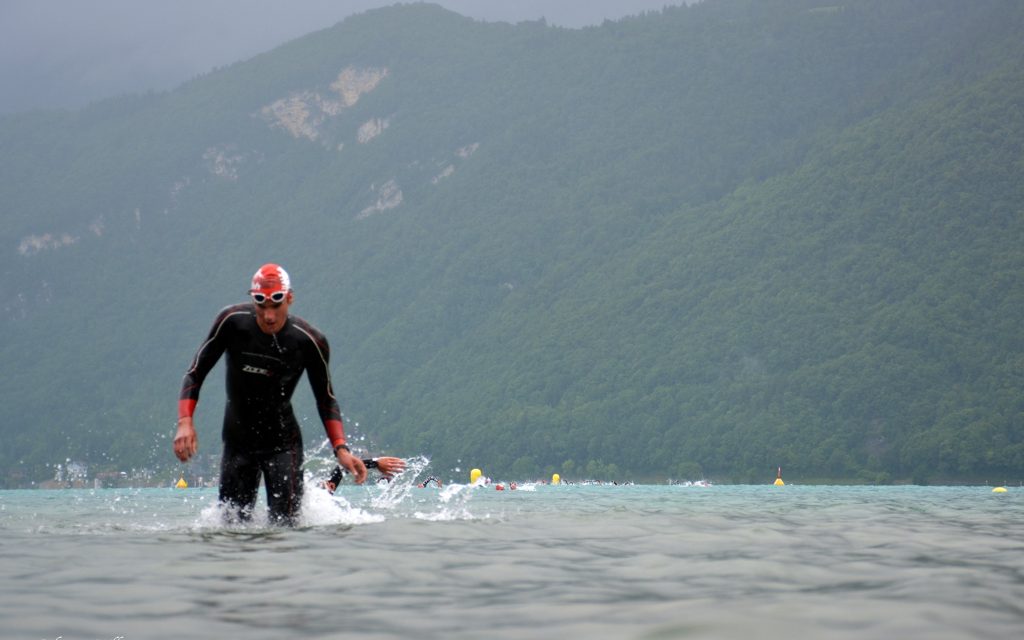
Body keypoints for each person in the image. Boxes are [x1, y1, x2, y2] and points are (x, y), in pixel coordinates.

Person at [172, 263, 404, 525]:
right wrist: (185, 422)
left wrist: (341, 448)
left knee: (286, 528)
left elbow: (326, 399)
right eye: (261, 305)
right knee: (231, 530)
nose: (268, 315)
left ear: (289, 299)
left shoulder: (309, 341)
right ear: (253, 299)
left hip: (283, 446)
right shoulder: (232, 323)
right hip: (238, 442)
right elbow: (195, 373)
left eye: (276, 305)